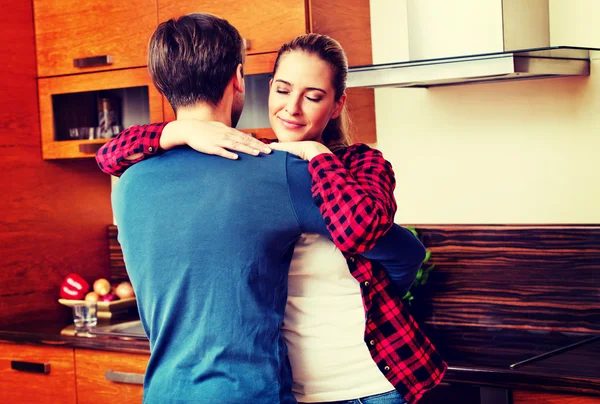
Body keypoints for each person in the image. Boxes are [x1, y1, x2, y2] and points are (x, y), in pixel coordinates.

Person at [101, 16, 446, 404]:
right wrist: (179, 131)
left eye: (313, 96)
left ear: (337, 105)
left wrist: (317, 155)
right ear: (244, 82)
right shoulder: (257, 156)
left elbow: (387, 243)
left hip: (364, 382)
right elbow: (108, 154)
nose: (292, 109)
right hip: (297, 388)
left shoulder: (353, 164)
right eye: (282, 90)